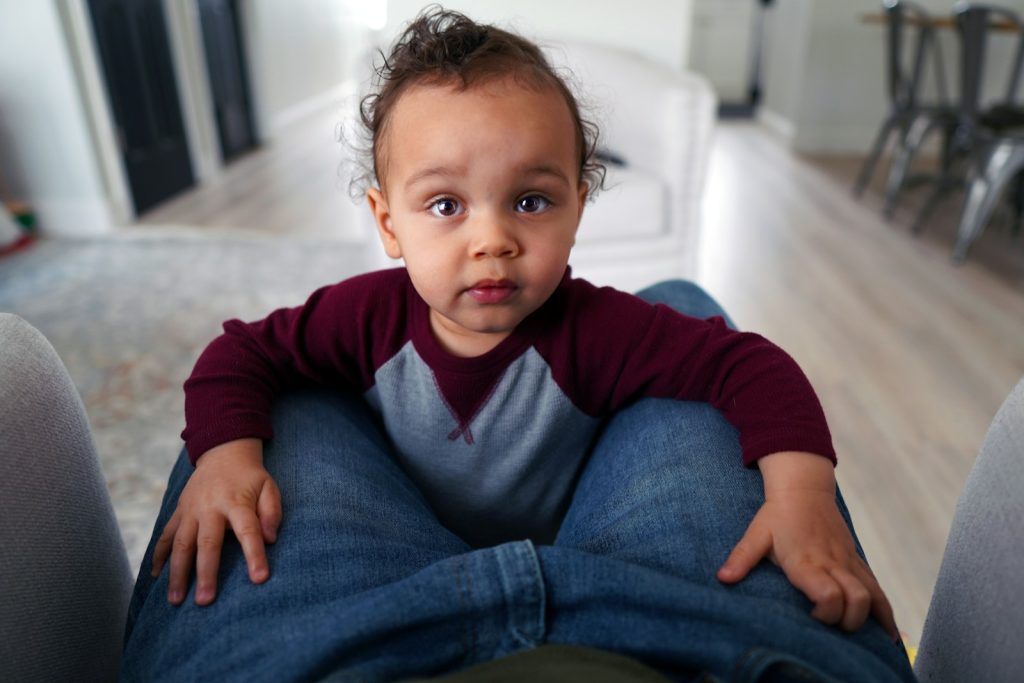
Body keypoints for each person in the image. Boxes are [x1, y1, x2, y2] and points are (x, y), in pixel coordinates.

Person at [122, 8, 915, 682]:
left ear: (578, 208)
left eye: (531, 200)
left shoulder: (599, 329)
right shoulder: (362, 317)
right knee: (288, 401)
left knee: (688, 311)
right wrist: (228, 457)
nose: (493, 239)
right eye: (445, 204)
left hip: (576, 537)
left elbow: (747, 365)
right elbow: (240, 354)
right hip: (400, 528)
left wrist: (801, 496)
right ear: (387, 222)